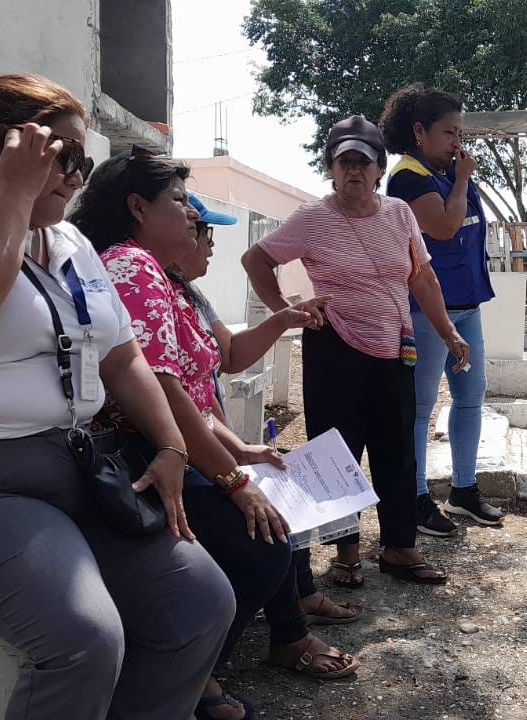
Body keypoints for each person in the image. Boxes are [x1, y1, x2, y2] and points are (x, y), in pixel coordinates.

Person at [0, 74, 233, 720]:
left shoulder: (69, 243)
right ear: (4, 145)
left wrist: (171, 445)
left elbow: (122, 356)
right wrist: (13, 194)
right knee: (82, 639)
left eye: (83, 161)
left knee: (199, 604)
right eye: (65, 155)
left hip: (72, 470)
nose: (77, 176)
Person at [69, 151, 361, 719]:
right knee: (260, 544)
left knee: (273, 520)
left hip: (184, 448)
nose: (193, 217)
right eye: (180, 202)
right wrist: (233, 479)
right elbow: (163, 389)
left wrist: (238, 457)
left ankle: (273, 638)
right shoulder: (131, 266)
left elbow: (207, 373)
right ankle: (190, 678)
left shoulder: (163, 278)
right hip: (149, 457)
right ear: (138, 208)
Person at [242, 115, 470, 588]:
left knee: (397, 448)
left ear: (379, 169)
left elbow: (422, 277)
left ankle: (400, 547)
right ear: (330, 168)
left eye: (363, 163)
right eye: (344, 162)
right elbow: (256, 259)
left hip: (395, 345)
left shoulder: (399, 214)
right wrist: (287, 310)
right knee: (336, 451)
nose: (354, 171)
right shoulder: (312, 218)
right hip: (334, 345)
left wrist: (448, 332)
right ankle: (345, 553)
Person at [173, 197, 363, 626]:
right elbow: (181, 397)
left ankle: (300, 601)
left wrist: (284, 318)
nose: (210, 245)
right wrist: (234, 462)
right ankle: (285, 630)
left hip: (209, 439)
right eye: (204, 233)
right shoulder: (150, 293)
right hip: (185, 451)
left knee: (285, 479)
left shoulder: (191, 295)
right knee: (269, 513)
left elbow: (227, 357)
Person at [380, 84, 505, 537]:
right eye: (449, 132)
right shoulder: (407, 179)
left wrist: (458, 175)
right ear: (420, 132)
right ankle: (415, 499)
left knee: (471, 397)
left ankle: (464, 490)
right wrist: (464, 178)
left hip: (467, 305)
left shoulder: (445, 173)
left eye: (460, 133)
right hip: (427, 311)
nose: (457, 142)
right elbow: (446, 227)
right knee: (421, 406)